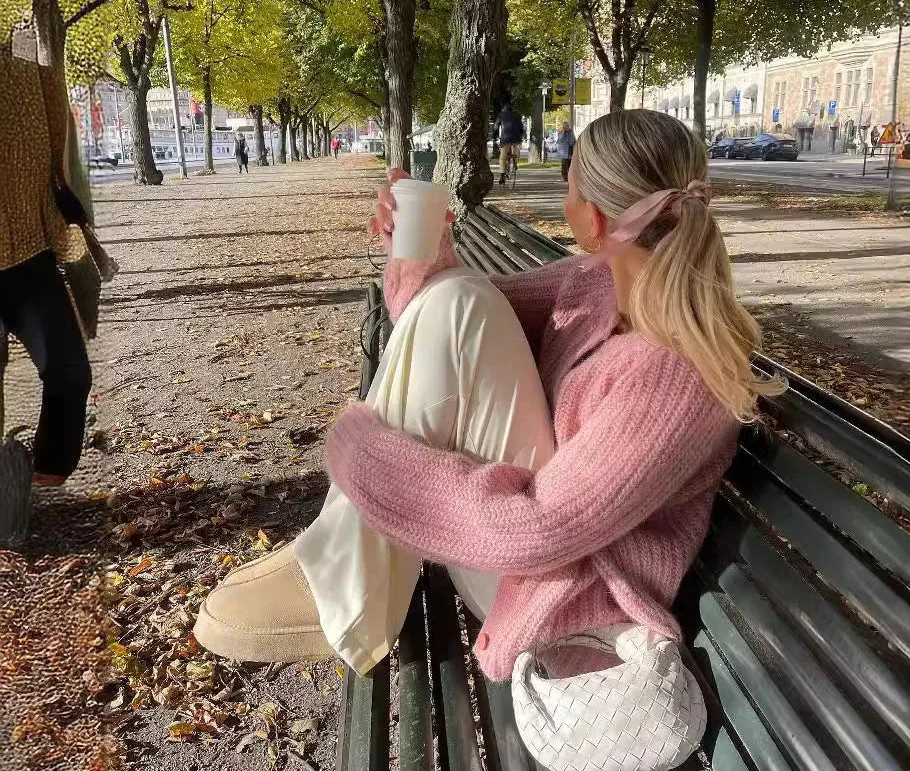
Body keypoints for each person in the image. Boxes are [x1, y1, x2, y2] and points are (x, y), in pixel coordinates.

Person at [194, 109, 782, 687]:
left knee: (461, 301)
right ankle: (340, 567)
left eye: (568, 185)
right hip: (517, 545)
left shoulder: (672, 375)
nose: (565, 198)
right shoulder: (595, 284)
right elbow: (444, 316)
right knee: (458, 296)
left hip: (561, 595)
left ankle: (341, 588)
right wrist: (417, 241)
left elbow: (540, 530)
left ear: (596, 216)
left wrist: (365, 457)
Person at [1, 48, 113, 491]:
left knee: (69, 372)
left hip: (30, 256)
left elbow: (62, 162)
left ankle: (44, 479)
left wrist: (71, 224)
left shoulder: (29, 72)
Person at [493, 101, 524, 184]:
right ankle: (515, 162)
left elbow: (496, 127)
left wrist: (494, 137)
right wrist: (521, 136)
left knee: (503, 157)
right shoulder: (517, 115)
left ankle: (502, 175)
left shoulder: (501, 115)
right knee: (515, 148)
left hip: (505, 138)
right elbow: (521, 128)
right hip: (516, 138)